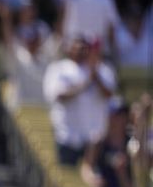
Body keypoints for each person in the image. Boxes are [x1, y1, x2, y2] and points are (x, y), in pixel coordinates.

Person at [42, 36, 116, 166]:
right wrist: (85, 84)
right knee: (67, 180)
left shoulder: (103, 70)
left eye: (84, 48)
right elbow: (58, 95)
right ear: (69, 49)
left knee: (95, 182)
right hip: (67, 137)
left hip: (95, 140)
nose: (81, 51)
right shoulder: (58, 68)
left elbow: (109, 95)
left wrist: (96, 77)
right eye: (77, 47)